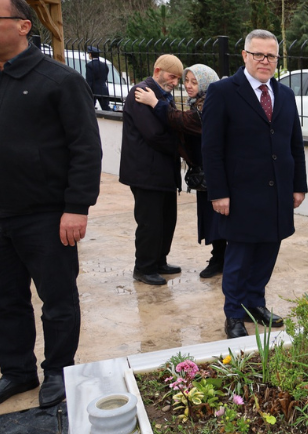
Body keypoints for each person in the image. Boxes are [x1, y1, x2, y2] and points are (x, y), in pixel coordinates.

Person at [0, 0, 102, 410]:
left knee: (57, 300)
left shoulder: (59, 81)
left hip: (46, 218)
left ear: (22, 26)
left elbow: (85, 148)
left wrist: (77, 206)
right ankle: (17, 371)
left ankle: (58, 371)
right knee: (3, 301)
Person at [202, 30, 308, 339]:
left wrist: (298, 185)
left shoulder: (285, 94)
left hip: (277, 193)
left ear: (277, 59)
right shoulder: (223, 92)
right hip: (240, 194)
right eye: (258, 54)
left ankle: (254, 304)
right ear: (245, 55)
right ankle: (234, 313)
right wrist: (218, 192)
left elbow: (295, 144)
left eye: (271, 56)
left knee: (267, 253)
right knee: (239, 258)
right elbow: (211, 148)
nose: (265, 61)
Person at [135, 64, 226, 278]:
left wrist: (155, 103)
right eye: (187, 81)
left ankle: (221, 258)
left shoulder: (210, 104)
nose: (188, 86)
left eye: (194, 82)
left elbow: (182, 121)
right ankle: (219, 256)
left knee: (217, 216)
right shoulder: (199, 101)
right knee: (210, 215)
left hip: (214, 170)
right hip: (204, 171)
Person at [120, 54, 184, 286]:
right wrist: (180, 143)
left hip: (163, 171)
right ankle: (144, 267)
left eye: (178, 78)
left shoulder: (161, 95)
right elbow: (154, 133)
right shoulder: (141, 93)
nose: (175, 82)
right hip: (146, 171)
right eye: (171, 76)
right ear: (158, 71)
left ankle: (159, 261)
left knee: (167, 219)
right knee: (150, 222)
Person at [85, 46, 110, 111]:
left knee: (90, 108)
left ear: (90, 54)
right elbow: (105, 76)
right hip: (103, 88)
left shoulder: (89, 65)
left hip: (93, 90)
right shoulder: (104, 64)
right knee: (106, 108)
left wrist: (87, 90)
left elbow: (89, 79)